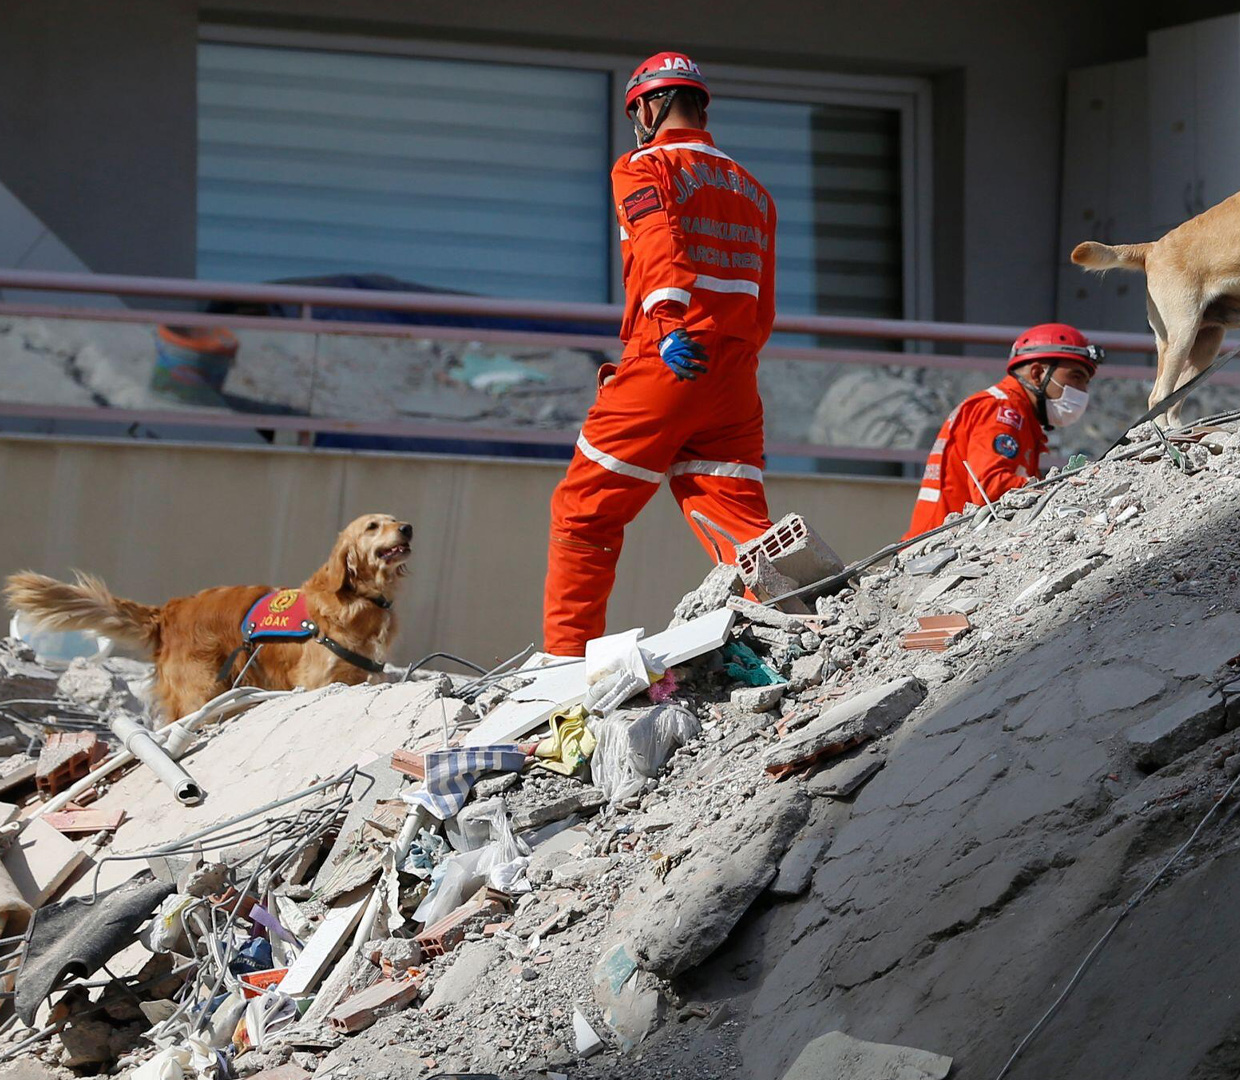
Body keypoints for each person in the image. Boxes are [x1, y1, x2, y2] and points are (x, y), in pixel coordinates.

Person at [542, 51, 778, 657]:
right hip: (734, 375)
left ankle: (564, 663)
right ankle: (786, 633)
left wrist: (670, 322)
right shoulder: (754, 190)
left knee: (583, 511)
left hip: (670, 356)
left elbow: (656, 242)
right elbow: (764, 298)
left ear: (648, 105)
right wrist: (737, 358)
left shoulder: (643, 165)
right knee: (740, 523)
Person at [903, 322, 1103, 539]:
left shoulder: (1016, 415)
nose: (1083, 391)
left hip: (940, 546)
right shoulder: (1001, 410)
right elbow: (989, 488)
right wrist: (1055, 489)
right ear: (1037, 373)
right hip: (938, 551)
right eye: (1076, 377)